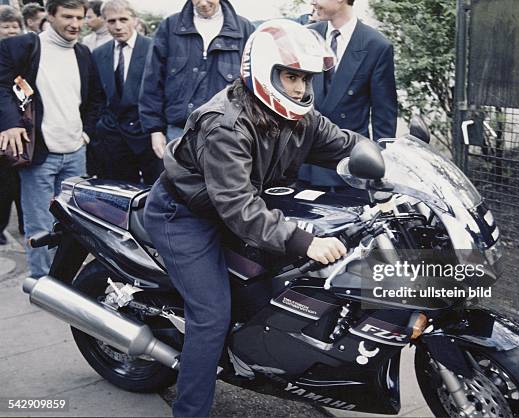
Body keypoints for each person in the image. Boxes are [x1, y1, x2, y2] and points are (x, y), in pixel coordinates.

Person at [144, 19, 364, 417]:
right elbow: (238, 207)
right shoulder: (226, 123)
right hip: (185, 215)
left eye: (307, 79)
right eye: (292, 76)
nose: (301, 88)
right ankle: (190, 411)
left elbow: (345, 144)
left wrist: (389, 162)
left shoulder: (300, 118)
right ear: (265, 72)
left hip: (233, 206)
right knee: (211, 316)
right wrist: (305, 241)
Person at [0, 0, 102, 277]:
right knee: (40, 225)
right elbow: (2, 87)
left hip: (76, 151)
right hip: (40, 155)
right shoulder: (24, 47)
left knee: (73, 224)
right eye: (67, 16)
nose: (75, 24)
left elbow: (94, 99)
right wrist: (9, 124)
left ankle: (64, 281)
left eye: (79, 17)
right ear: (50, 15)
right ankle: (41, 283)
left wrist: (86, 135)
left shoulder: (82, 52)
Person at [139, 0, 255, 161]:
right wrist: (155, 130)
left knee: (225, 185)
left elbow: (253, 87)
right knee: (178, 184)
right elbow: (152, 81)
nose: (203, 3)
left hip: (229, 136)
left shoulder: (245, 30)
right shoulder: (169, 27)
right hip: (178, 133)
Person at [300, 0, 398, 188]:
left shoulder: (376, 45)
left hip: (347, 169)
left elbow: (384, 116)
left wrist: (379, 170)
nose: (313, 2)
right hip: (303, 165)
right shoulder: (308, 36)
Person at [92, 0, 161, 184]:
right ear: (105, 22)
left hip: (147, 138)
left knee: (154, 197)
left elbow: (163, 93)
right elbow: (96, 97)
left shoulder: (154, 49)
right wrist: (101, 126)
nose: (118, 26)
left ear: (135, 20)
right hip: (112, 141)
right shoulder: (99, 54)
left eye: (123, 19)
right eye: (112, 21)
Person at [0, 5, 25, 245]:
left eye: (14, 26)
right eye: (5, 26)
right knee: (4, 183)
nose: (10, 30)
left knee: (20, 179)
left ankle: (25, 224)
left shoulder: (23, 54)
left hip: (21, 126)